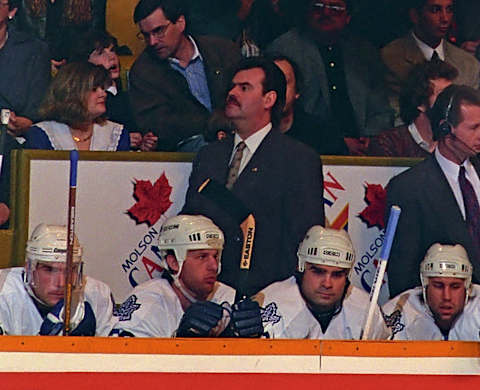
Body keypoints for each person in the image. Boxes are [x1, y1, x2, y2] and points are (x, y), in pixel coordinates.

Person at [182, 57, 325, 297]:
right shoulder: (209, 155)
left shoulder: (298, 159)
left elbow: (304, 239)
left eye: (244, 88)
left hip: (267, 296)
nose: (232, 93)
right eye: (232, 86)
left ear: (269, 99)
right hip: (207, 294)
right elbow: (189, 221)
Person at [385, 85, 480, 297]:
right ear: (446, 129)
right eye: (474, 128)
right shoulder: (409, 188)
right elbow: (403, 273)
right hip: (441, 317)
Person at [267, 0, 393, 155]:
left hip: (364, 149)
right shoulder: (284, 49)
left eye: (335, 9)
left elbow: (380, 107)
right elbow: (285, 114)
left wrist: (370, 138)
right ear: (308, 11)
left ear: (348, 17)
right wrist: (338, 142)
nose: (326, 13)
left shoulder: (364, 52)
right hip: (308, 147)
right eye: (318, 7)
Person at [112, 215, 263, 338]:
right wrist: (179, 341)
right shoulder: (146, 303)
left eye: (215, 256)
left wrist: (250, 344)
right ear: (173, 263)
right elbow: (122, 366)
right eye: (202, 257)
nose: (214, 266)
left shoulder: (228, 297)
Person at [129, 0, 241, 151]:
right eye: (146, 35)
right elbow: (159, 124)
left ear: (181, 23)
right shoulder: (144, 71)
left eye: (159, 31)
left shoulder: (223, 51)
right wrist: (215, 123)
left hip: (238, 130)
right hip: (187, 145)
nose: (152, 42)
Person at [254, 226, 388, 339]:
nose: (327, 284)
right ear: (301, 266)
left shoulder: (367, 311)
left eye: (337, 274)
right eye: (318, 272)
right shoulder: (270, 303)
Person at [0, 224, 115, 335]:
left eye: (70, 270)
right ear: (29, 269)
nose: (61, 283)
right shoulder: (3, 291)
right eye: (49, 269)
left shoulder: (97, 294)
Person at [69, 30, 157, 151]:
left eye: (112, 50)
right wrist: (120, 140)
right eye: (101, 53)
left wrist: (145, 142)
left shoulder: (133, 97)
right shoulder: (85, 101)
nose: (111, 57)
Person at [381, 0, 480, 108]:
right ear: (415, 15)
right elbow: (393, 114)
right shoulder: (391, 58)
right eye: (435, 10)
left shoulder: (469, 64)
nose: (445, 18)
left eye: (449, 10)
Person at [383, 243, 480, 340]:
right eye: (438, 286)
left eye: (455, 287)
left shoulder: (477, 308)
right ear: (425, 285)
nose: (446, 297)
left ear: (467, 286)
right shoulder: (402, 309)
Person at [24, 62, 130, 151]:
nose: (103, 94)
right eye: (94, 89)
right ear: (72, 92)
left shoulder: (116, 134)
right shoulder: (42, 135)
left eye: (103, 88)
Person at [367, 59, 457, 157]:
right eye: (443, 94)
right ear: (420, 102)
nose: (451, 100)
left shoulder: (458, 143)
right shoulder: (388, 143)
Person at [271, 54, 348, 155]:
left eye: (284, 82)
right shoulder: (246, 133)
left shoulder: (323, 134)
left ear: (297, 91)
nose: (278, 90)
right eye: (271, 83)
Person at [0, 0, 51, 137]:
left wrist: (27, 121)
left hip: (16, 137)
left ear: (11, 11)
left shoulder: (34, 50)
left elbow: (38, 104)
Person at [14, 0, 106, 68]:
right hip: (32, 67)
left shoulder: (93, 2)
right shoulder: (21, 3)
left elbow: (96, 41)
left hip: (76, 72)